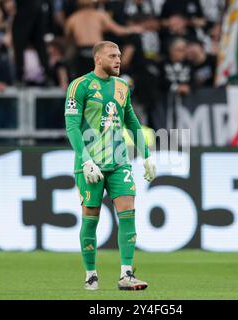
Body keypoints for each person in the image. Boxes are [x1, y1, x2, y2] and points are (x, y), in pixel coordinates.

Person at [64, 40, 156, 291]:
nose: (118, 59)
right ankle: (91, 274)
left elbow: (132, 122)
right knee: (90, 218)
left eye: (120, 55)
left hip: (118, 162)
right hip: (90, 165)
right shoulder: (79, 86)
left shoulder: (121, 86)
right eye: (113, 55)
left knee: (128, 210)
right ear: (98, 59)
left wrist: (146, 154)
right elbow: (72, 127)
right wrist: (86, 160)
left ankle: (126, 274)